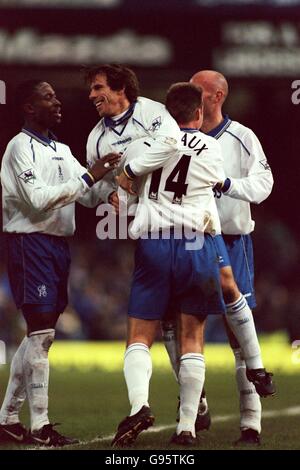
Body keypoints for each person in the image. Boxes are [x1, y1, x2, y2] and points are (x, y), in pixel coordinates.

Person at [0, 79, 119, 446]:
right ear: (29, 108)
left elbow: (84, 195)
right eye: (48, 97)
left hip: (57, 246)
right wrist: (90, 174)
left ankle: (6, 418)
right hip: (28, 241)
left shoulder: (63, 150)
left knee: (42, 333)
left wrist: (113, 188)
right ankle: (40, 425)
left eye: (56, 95)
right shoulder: (19, 148)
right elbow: (37, 199)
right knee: (42, 333)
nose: (58, 101)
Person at [162, 70, 275, 445]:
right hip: (188, 237)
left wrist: (226, 184)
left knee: (234, 333)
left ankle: (251, 423)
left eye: (201, 89)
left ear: (218, 96)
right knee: (181, 324)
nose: (193, 92)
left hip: (231, 237)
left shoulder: (241, 137)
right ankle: (196, 406)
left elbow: (263, 184)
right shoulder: (172, 137)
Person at [112, 82, 226, 447]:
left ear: (166, 111)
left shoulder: (146, 145)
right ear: (199, 113)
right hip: (196, 243)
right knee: (192, 336)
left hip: (154, 242)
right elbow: (212, 188)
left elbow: (127, 183)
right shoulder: (213, 146)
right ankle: (187, 428)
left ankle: (139, 405)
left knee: (139, 336)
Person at [84, 63, 181, 212]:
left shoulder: (151, 111)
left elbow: (171, 144)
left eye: (98, 88)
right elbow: (95, 180)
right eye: (91, 89)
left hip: (170, 202)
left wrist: (130, 171)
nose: (91, 95)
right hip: (131, 214)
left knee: (139, 147)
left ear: (120, 88)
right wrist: (109, 194)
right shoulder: (95, 138)